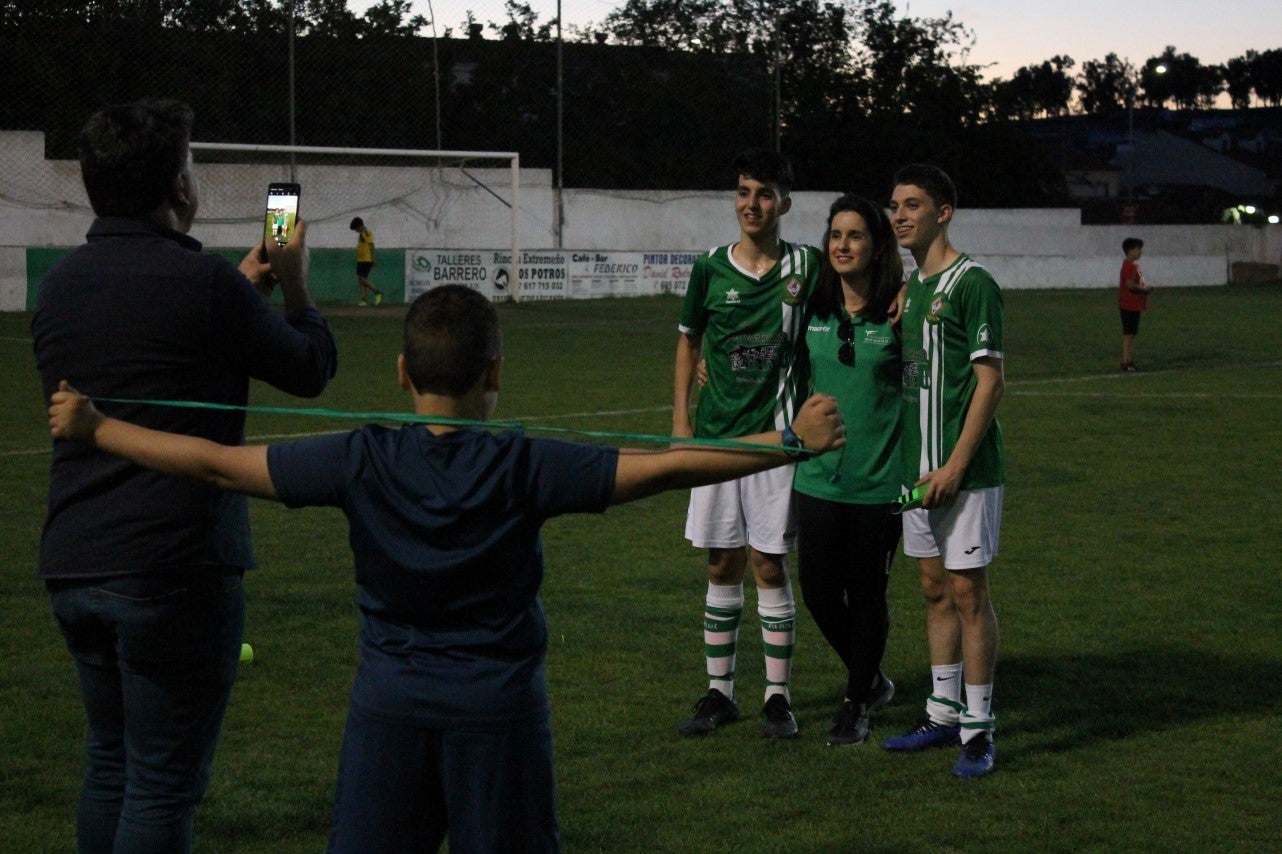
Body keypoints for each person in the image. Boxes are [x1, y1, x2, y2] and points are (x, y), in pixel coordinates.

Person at [46, 284, 846, 853]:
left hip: (387, 710)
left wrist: (96, 426)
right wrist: (788, 444)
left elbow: (216, 465)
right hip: (497, 716)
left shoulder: (362, 457)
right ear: (494, 374)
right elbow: (661, 470)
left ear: (401, 373)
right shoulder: (520, 464)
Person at [31, 98, 338, 852]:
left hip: (74, 557)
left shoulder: (60, 285)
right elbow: (309, 369)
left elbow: (158, 351)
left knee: (110, 766)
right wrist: (294, 283)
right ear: (178, 188)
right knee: (163, 784)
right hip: (172, 564)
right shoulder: (203, 285)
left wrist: (241, 286)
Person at [672, 148, 821, 739]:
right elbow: (688, 340)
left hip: (778, 442)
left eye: (763, 194)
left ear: (784, 202)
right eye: (742, 192)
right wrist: (681, 425)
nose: (750, 205)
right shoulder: (709, 267)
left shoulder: (808, 266)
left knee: (768, 563)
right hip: (714, 440)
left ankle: (778, 697)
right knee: (720, 561)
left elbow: (852, 308)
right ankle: (719, 691)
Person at [879, 164, 1005, 778]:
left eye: (913, 205)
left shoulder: (973, 282)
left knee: (968, 593)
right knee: (932, 590)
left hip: (965, 473)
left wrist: (956, 462)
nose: (900, 215)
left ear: (943, 212)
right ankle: (941, 712)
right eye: (895, 205)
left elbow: (991, 381)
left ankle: (978, 730)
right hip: (914, 469)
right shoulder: (915, 288)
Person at [792, 194, 904, 746]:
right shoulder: (813, 309)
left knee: (867, 597)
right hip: (816, 478)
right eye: (836, 235)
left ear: (875, 245)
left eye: (855, 235)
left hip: (880, 486)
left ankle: (855, 702)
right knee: (816, 592)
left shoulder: (897, 313)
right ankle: (873, 678)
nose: (843, 245)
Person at [1118, 237, 1153, 371]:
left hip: (1132, 304)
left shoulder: (1132, 265)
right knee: (1128, 333)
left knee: (1131, 332)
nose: (1140, 252)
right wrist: (1143, 289)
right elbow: (1130, 285)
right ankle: (1126, 361)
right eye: (1138, 249)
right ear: (1130, 250)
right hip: (1129, 304)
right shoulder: (1129, 266)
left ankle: (1128, 360)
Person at [350, 216, 383, 306]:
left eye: (355, 229)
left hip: (366, 259)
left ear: (359, 226)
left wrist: (373, 258)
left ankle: (376, 291)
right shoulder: (362, 234)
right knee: (361, 279)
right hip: (361, 259)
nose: (356, 231)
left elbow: (371, 245)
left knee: (362, 279)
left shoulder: (366, 233)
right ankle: (363, 300)